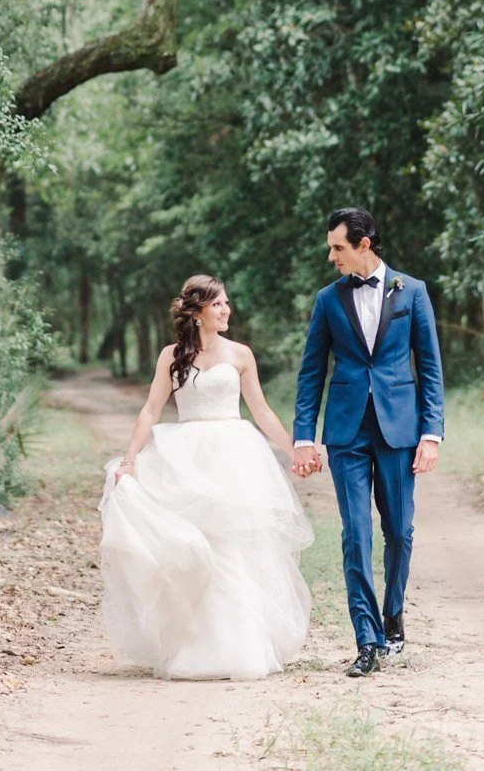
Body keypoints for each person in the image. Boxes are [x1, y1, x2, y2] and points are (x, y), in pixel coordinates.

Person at [99, 274, 313, 680]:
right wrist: (129, 460)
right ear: (197, 312)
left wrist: (294, 448)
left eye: (227, 303)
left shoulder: (241, 355)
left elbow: (262, 411)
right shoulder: (171, 355)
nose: (226, 310)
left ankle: (243, 645)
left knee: (235, 547)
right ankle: (196, 646)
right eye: (218, 305)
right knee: (197, 548)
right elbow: (150, 410)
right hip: (187, 455)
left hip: (234, 454)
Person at [291, 207, 445, 677]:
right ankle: (367, 640)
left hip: (400, 428)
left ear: (364, 244)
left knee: (399, 530)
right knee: (355, 533)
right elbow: (312, 371)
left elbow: (431, 368)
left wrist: (431, 433)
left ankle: (392, 616)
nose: (331, 256)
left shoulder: (411, 291)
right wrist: (303, 437)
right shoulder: (327, 300)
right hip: (346, 431)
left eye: (338, 247)